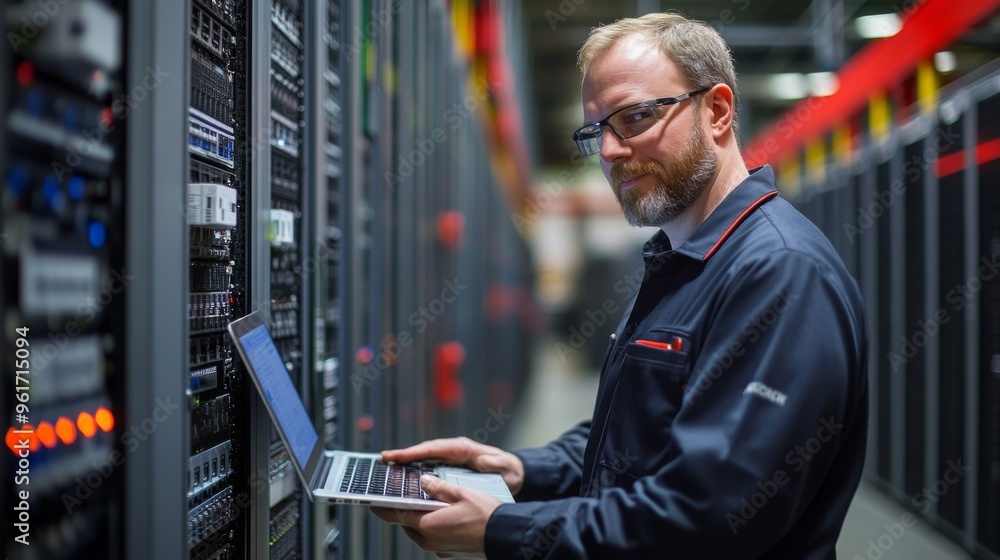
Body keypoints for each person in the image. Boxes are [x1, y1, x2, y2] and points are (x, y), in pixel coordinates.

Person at [372, 11, 868, 559]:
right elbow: (639, 433)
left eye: (633, 119)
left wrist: (503, 529)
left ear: (718, 111)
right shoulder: (678, 260)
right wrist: (520, 469)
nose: (608, 152)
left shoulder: (781, 273)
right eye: (596, 131)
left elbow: (709, 515)